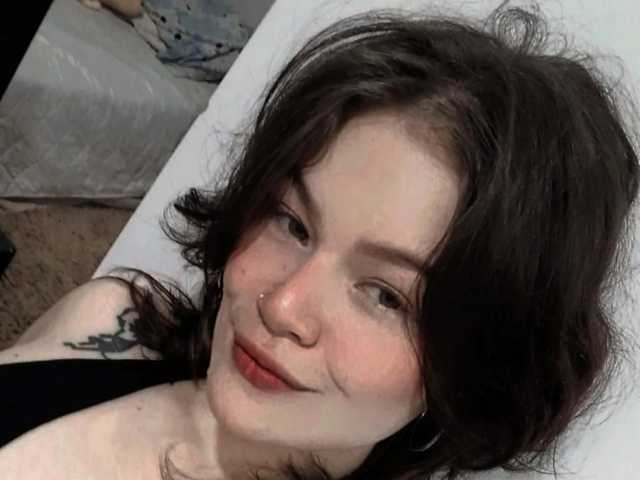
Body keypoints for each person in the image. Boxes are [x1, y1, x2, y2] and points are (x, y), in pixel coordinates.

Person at [1, 3, 639, 480]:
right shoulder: (111, 315)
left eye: (387, 296)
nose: (282, 307)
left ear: (478, 370)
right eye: (292, 223)